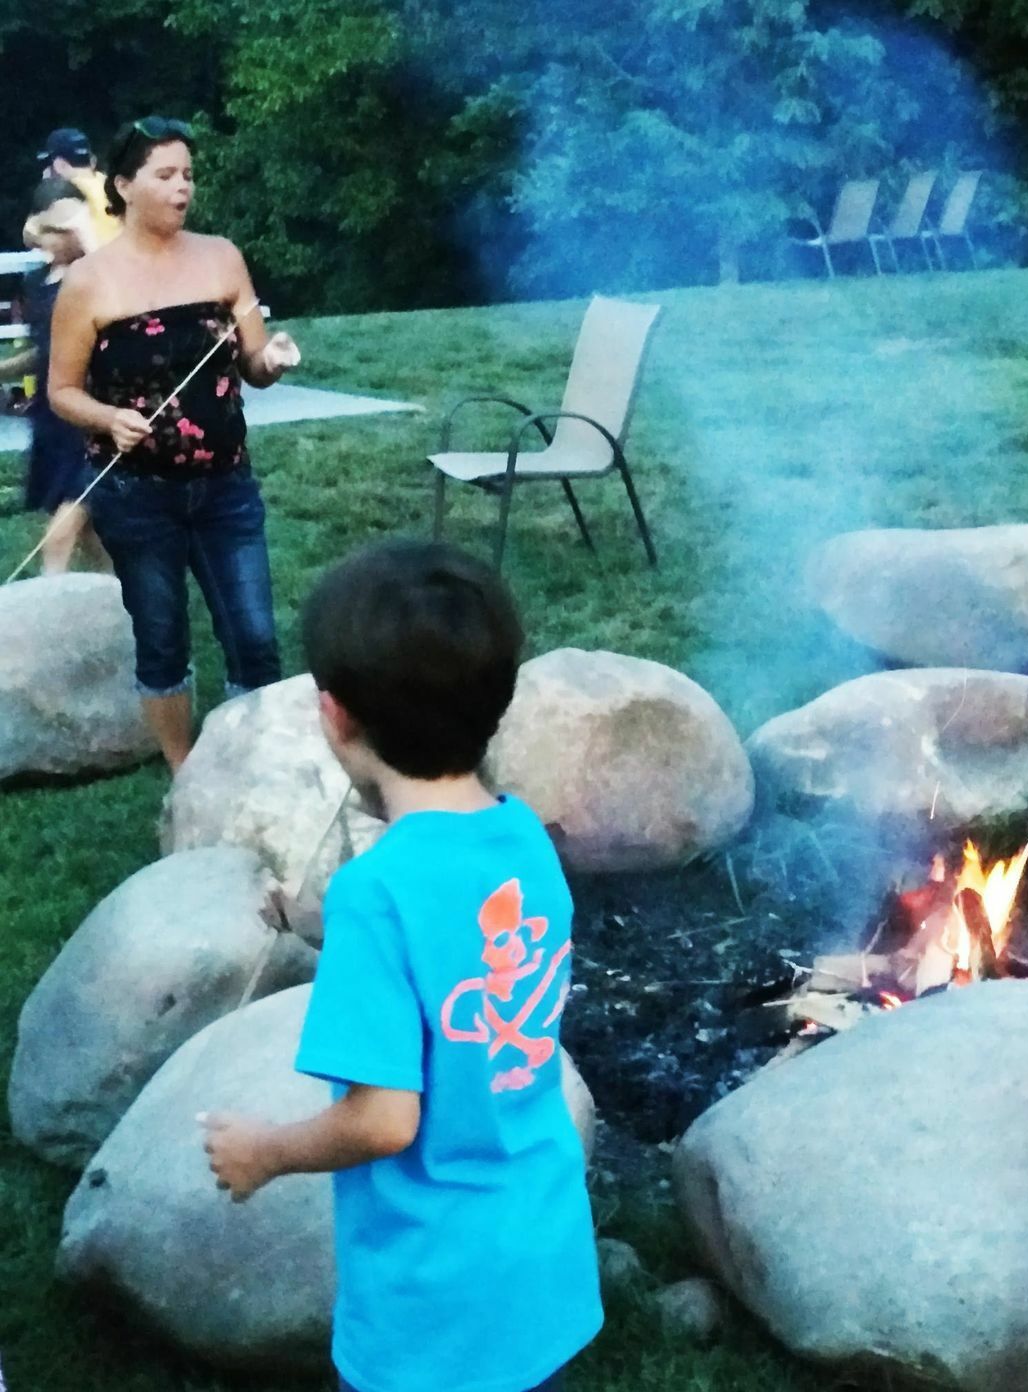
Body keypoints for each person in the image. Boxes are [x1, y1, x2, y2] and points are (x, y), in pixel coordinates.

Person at [199, 540, 603, 1392]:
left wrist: (265, 1152)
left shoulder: (376, 895)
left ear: (335, 716)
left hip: (433, 1308)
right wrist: (320, 927)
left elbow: (385, 1123)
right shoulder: (523, 837)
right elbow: (465, 949)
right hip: (539, 1261)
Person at [46, 116, 301, 771]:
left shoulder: (221, 258)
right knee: (161, 638)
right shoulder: (89, 283)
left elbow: (252, 364)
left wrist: (273, 360)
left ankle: (253, 765)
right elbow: (61, 392)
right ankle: (185, 772)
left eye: (187, 174)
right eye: (165, 175)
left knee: (255, 637)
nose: (182, 187)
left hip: (226, 486)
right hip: (137, 494)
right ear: (125, 186)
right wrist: (107, 418)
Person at [0, 179, 103, 572]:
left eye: (72, 225)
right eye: (56, 227)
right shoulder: (35, 285)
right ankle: (127, 605)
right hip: (51, 421)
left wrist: (86, 235)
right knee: (90, 533)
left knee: (59, 536)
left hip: (92, 419)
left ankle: (46, 615)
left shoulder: (95, 276)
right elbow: (45, 352)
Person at [35, 127, 121, 247]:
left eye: (47, 165)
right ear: (92, 161)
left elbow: (32, 235)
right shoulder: (115, 186)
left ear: (60, 165)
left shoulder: (64, 194)